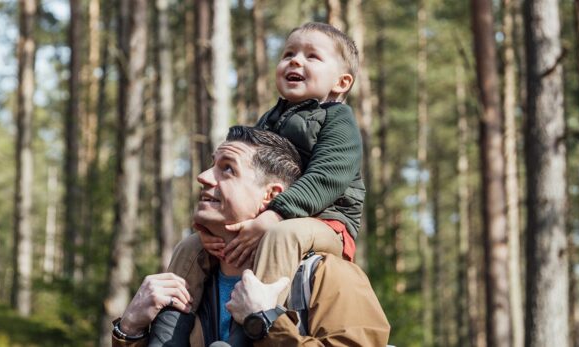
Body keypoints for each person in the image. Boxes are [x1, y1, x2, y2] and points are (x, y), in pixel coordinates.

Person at [110, 126, 389, 346]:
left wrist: (267, 322)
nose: (203, 176)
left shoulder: (325, 277)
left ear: (271, 196)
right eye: (211, 165)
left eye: (227, 169)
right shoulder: (188, 280)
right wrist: (130, 330)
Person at [168, 21, 367, 321]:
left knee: (282, 235)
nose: (295, 60)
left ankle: (253, 322)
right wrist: (209, 230)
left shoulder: (338, 120)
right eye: (288, 54)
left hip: (328, 222)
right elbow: (245, 181)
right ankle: (171, 330)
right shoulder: (269, 121)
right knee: (192, 246)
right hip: (277, 214)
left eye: (312, 56)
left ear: (341, 82)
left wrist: (275, 215)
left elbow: (328, 177)